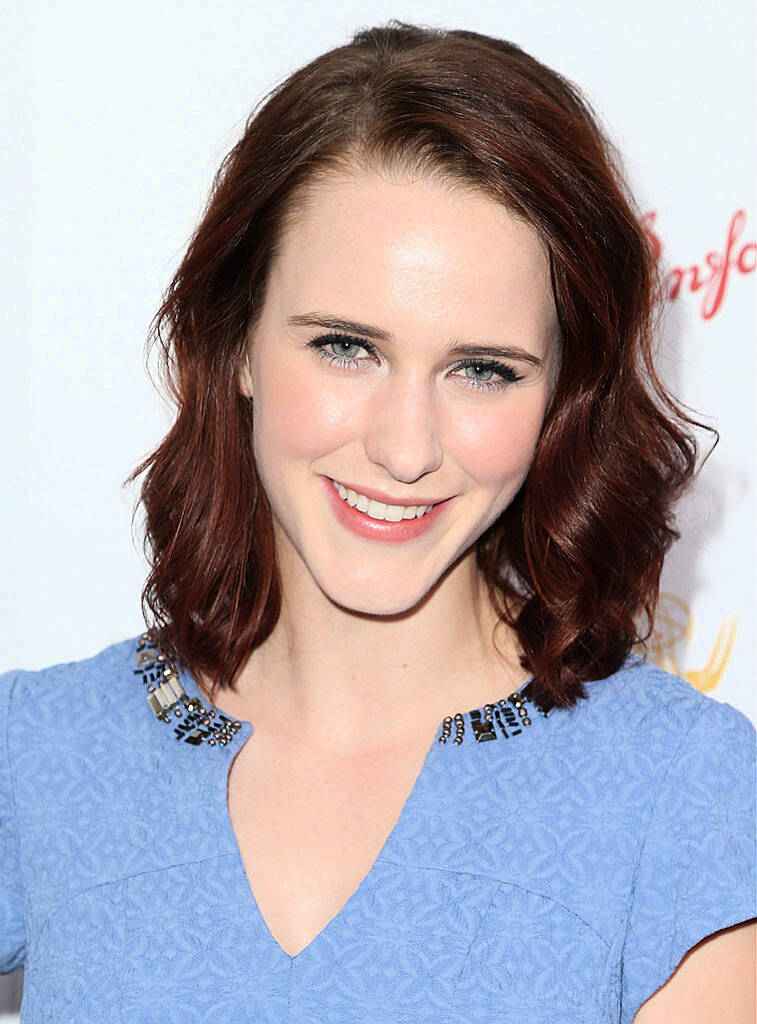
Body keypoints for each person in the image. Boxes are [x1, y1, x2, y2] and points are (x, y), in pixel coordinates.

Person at [1, 20, 754, 1024]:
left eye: (481, 369)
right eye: (347, 347)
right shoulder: (40, 756)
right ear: (233, 343)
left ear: (561, 398)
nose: (406, 447)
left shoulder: (681, 796)